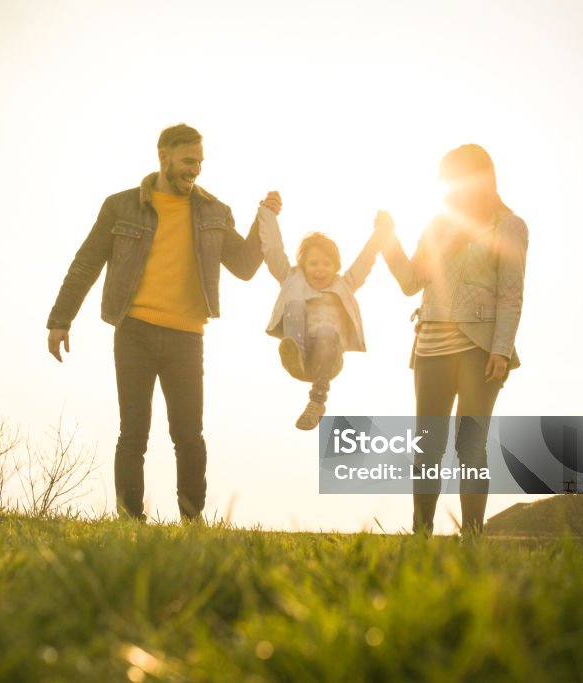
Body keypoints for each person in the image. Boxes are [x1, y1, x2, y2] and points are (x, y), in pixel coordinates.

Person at [45, 123, 270, 522]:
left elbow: (247, 266)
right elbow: (86, 263)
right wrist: (61, 319)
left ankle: (192, 519)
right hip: (135, 330)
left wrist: (263, 220)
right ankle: (130, 521)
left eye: (200, 162)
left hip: (187, 337)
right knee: (133, 432)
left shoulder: (214, 212)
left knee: (189, 436)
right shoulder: (121, 206)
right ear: (163, 157)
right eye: (188, 161)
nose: (195, 169)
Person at [379, 144, 529, 535]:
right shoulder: (438, 224)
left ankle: (472, 540)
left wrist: (500, 349)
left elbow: (511, 294)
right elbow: (411, 282)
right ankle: (421, 534)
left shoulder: (509, 226)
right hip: (430, 344)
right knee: (427, 446)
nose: (449, 187)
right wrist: (388, 240)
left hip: (480, 348)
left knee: (471, 447)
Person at [256, 201, 388, 430]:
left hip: (329, 358)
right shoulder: (292, 279)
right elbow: (273, 251)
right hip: (299, 356)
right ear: (303, 264)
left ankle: (317, 401)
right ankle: (295, 352)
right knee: (295, 304)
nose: (320, 269)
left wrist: (381, 231)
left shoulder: (345, 284)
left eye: (327, 264)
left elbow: (365, 260)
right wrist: (267, 213)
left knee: (327, 330)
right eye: (313, 263)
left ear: (336, 266)